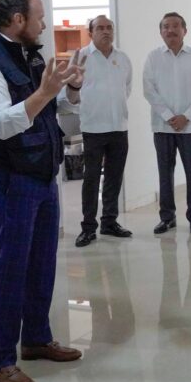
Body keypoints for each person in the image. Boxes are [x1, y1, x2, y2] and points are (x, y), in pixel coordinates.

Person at [0, 0, 84, 382]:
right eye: (39, 17)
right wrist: (45, 92)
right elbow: (1, 123)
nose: (44, 24)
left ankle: (35, 339)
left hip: (42, 175)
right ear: (18, 20)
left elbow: (54, 111)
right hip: (9, 179)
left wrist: (71, 90)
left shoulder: (29, 55)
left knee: (42, 264)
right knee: (11, 269)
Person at [143, 12, 191, 236]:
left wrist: (186, 116)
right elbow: (149, 90)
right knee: (165, 173)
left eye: (175, 26)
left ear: (184, 30)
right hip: (162, 127)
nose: (170, 30)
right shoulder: (153, 58)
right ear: (160, 31)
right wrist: (168, 116)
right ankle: (167, 217)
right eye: (166, 27)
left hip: (190, 128)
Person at [74, 15, 133, 248]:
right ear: (91, 33)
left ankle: (109, 221)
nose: (106, 31)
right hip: (93, 128)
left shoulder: (123, 58)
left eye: (109, 28)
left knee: (114, 177)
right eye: (100, 28)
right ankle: (88, 227)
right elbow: (71, 92)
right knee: (91, 179)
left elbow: (127, 88)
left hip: (119, 127)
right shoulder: (81, 57)